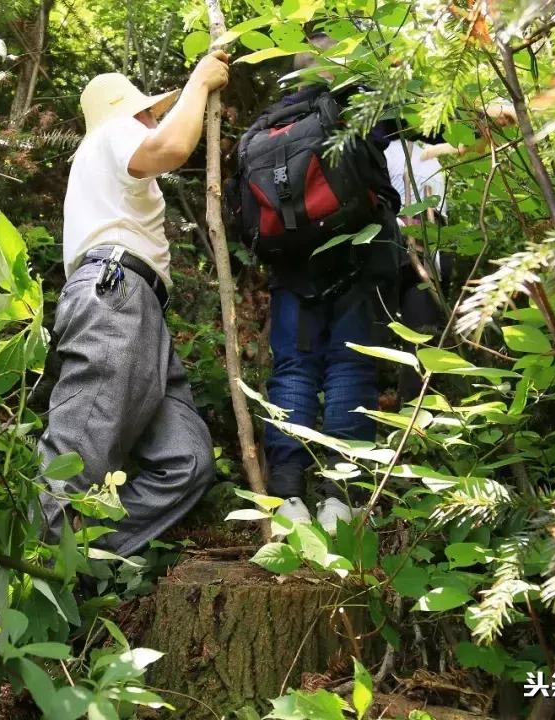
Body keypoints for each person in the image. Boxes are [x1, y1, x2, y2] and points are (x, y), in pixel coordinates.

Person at [38, 51, 230, 557]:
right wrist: (200, 81)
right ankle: (37, 571)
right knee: (78, 452)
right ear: (128, 113)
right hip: (115, 294)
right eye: (147, 111)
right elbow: (170, 146)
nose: (154, 117)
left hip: (135, 304)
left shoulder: (103, 163)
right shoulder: (110, 133)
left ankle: (84, 557)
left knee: (185, 460)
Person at [242, 34, 404, 534]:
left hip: (291, 266)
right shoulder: (357, 109)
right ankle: (340, 496)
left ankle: (288, 493)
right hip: (359, 254)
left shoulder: (263, 127)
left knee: (293, 369)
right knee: (351, 365)